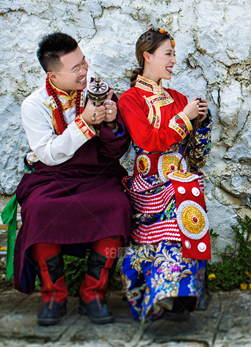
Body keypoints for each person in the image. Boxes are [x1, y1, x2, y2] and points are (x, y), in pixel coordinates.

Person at [12, 33, 131, 325]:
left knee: (117, 205)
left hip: (97, 175)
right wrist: (84, 122)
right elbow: (49, 155)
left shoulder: (98, 93)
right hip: (51, 178)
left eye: (84, 62)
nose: (84, 71)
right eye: (75, 68)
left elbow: (117, 149)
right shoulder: (34, 106)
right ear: (53, 74)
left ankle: (93, 294)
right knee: (39, 211)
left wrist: (112, 122)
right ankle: (54, 295)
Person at [118, 28, 212, 322]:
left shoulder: (178, 97)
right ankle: (168, 295)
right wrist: (185, 117)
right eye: (168, 54)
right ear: (148, 56)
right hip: (149, 187)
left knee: (186, 204)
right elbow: (149, 141)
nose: (173, 60)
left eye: (174, 54)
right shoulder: (130, 100)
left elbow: (196, 156)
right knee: (172, 215)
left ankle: (183, 294)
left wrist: (203, 124)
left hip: (180, 185)